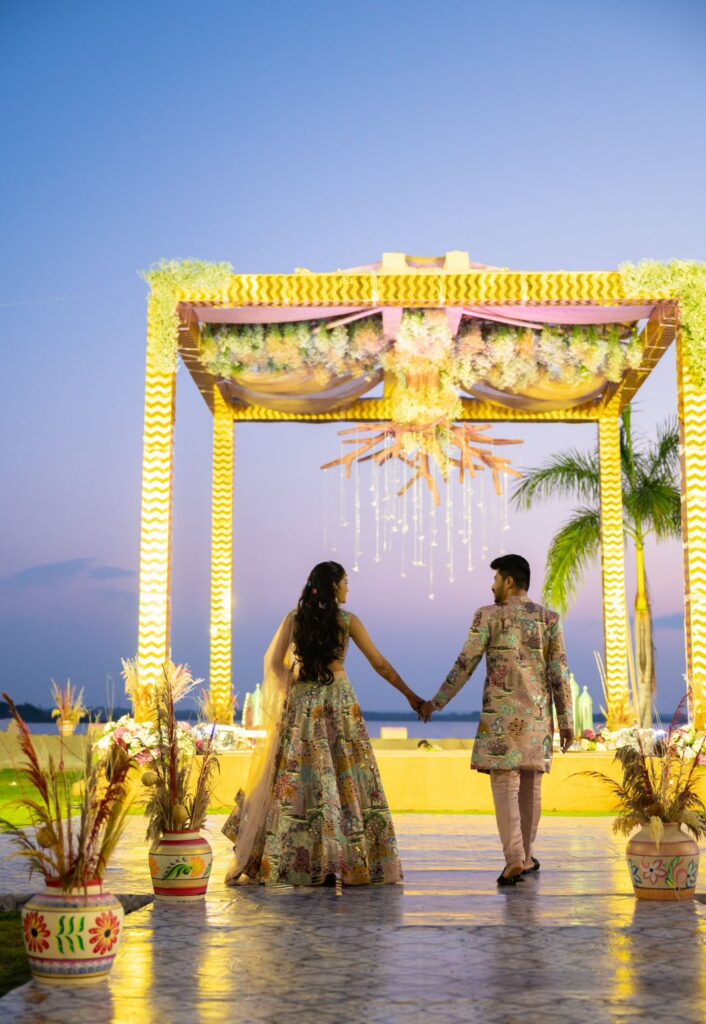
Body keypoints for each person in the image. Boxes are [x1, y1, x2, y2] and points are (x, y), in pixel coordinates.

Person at [223, 560, 422, 886]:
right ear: (333, 586)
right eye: (345, 582)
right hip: (338, 704)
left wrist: (297, 681)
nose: (348, 588)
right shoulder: (347, 621)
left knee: (300, 782)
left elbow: (273, 664)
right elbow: (381, 665)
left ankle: (297, 861)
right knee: (344, 780)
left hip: (302, 704)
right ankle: (340, 860)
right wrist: (410, 696)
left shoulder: (295, 619)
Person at [420, 554, 574, 887]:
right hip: (536, 719)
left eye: (495, 579)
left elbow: (466, 663)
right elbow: (560, 674)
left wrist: (437, 702)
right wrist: (567, 722)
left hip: (501, 719)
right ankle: (526, 856)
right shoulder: (549, 619)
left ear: (508, 581)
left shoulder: (488, 616)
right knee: (531, 785)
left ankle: (513, 859)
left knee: (506, 784)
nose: (492, 586)